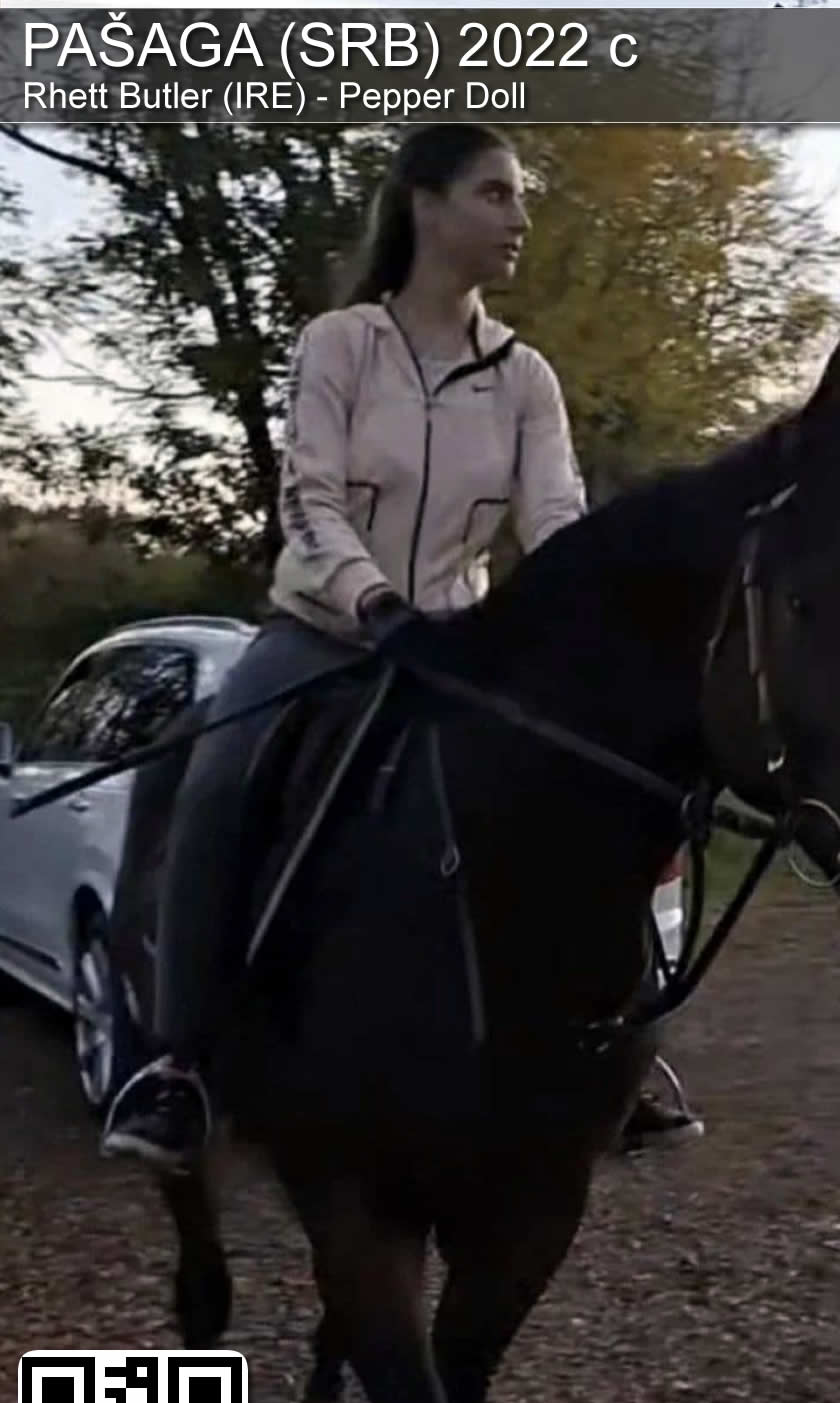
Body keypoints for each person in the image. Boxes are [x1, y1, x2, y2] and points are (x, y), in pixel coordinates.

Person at [99, 124, 703, 1174]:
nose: (520, 218)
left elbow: (555, 523)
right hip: (324, 632)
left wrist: (590, 624)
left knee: (594, 786)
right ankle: (178, 1066)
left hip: (461, 648)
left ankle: (619, 1047)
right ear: (426, 205)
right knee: (218, 781)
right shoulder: (340, 344)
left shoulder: (525, 378)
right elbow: (309, 500)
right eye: (495, 194)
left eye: (519, 197)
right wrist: (373, 603)